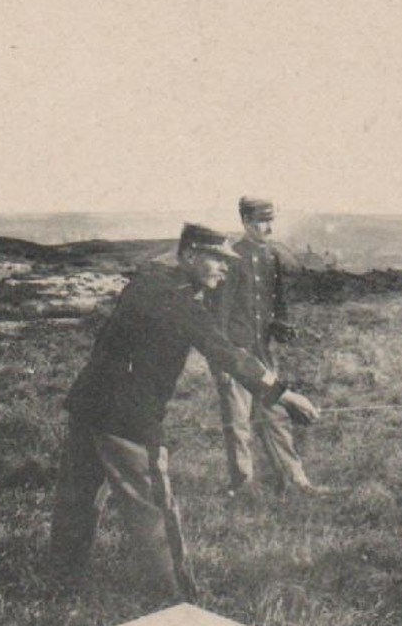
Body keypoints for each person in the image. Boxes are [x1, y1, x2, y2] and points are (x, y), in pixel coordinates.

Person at [50, 223, 321, 602]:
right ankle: (177, 599)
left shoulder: (150, 283)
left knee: (76, 500)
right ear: (190, 256)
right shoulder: (176, 300)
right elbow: (225, 352)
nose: (225, 270)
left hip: (89, 404)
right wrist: (286, 396)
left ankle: (59, 583)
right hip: (128, 416)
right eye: (217, 261)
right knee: (154, 509)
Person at [207, 196, 324, 498]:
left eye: (270, 220)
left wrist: (280, 326)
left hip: (263, 352)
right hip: (236, 354)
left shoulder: (271, 256)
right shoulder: (232, 258)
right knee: (239, 422)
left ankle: (295, 480)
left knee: (277, 415)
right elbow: (218, 315)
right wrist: (220, 363)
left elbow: (276, 304)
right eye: (260, 221)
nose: (267, 227)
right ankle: (243, 485)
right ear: (245, 222)